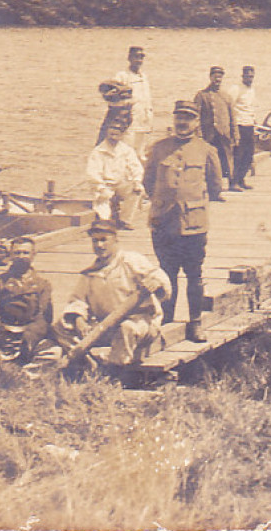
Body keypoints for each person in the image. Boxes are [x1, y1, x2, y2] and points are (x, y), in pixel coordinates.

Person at [143, 99, 224, 342]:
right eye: (179, 117)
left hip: (194, 224)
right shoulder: (159, 148)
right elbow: (148, 183)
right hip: (164, 222)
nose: (182, 122)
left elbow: (216, 185)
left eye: (188, 118)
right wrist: (161, 204)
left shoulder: (206, 150)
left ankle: (195, 323)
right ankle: (167, 319)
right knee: (167, 273)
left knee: (194, 274)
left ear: (196, 122)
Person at [54, 219, 172, 378]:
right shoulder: (91, 273)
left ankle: (116, 370)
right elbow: (77, 299)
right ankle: (87, 360)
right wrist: (79, 319)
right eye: (95, 241)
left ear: (115, 240)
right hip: (106, 325)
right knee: (61, 325)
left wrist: (155, 282)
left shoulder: (131, 261)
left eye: (104, 240)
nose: (99, 245)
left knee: (127, 328)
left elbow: (160, 277)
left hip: (141, 322)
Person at [0, 237, 61, 373]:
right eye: (17, 253)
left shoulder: (43, 285)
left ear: (34, 255)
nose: (21, 257)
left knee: (54, 353)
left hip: (29, 338)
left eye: (25, 253)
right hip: (4, 336)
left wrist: (29, 339)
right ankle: (10, 367)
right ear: (10, 255)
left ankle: (24, 371)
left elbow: (44, 318)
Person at [87, 104, 144, 229]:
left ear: (122, 134)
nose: (114, 133)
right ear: (107, 131)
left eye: (118, 131)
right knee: (104, 218)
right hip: (104, 186)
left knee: (136, 191)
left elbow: (136, 168)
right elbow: (93, 174)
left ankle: (124, 220)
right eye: (112, 130)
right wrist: (101, 187)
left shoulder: (126, 150)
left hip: (120, 185)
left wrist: (136, 182)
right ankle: (108, 217)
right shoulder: (98, 151)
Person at [107, 45, 154, 157]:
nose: (139, 60)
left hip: (144, 123)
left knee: (140, 156)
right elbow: (111, 98)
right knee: (125, 153)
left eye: (141, 57)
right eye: (136, 57)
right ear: (129, 58)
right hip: (129, 124)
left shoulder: (144, 77)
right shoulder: (122, 76)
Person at [194, 65, 237, 185]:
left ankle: (232, 183)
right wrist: (198, 134)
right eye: (215, 77)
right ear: (210, 77)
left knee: (227, 159)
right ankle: (212, 187)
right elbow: (196, 116)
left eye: (220, 77)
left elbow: (232, 118)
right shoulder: (202, 95)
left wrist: (235, 135)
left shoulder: (226, 96)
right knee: (210, 162)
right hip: (209, 135)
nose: (217, 80)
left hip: (224, 134)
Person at [229, 65, 258, 191]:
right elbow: (229, 106)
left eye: (251, 76)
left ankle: (241, 179)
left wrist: (254, 121)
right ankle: (233, 182)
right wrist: (232, 126)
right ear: (242, 76)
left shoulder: (252, 90)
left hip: (249, 125)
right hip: (239, 125)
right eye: (247, 76)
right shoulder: (236, 89)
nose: (249, 78)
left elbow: (250, 107)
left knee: (249, 154)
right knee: (238, 154)